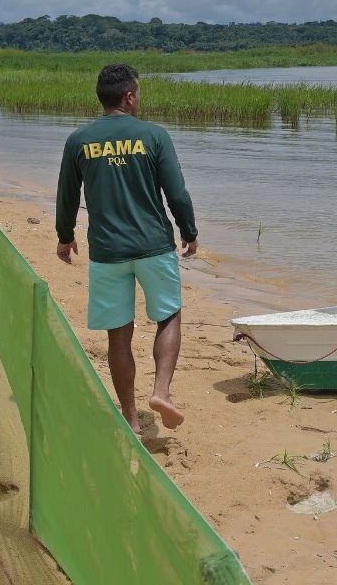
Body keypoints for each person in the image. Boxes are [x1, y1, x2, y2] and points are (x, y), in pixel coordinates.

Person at [55, 63, 198, 433]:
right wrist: (189, 231)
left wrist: (65, 235)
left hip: (106, 252)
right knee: (168, 316)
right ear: (129, 96)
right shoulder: (153, 136)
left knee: (119, 332)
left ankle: (131, 419)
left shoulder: (79, 140)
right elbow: (177, 193)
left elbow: (68, 195)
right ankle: (162, 392)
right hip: (152, 246)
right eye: (138, 93)